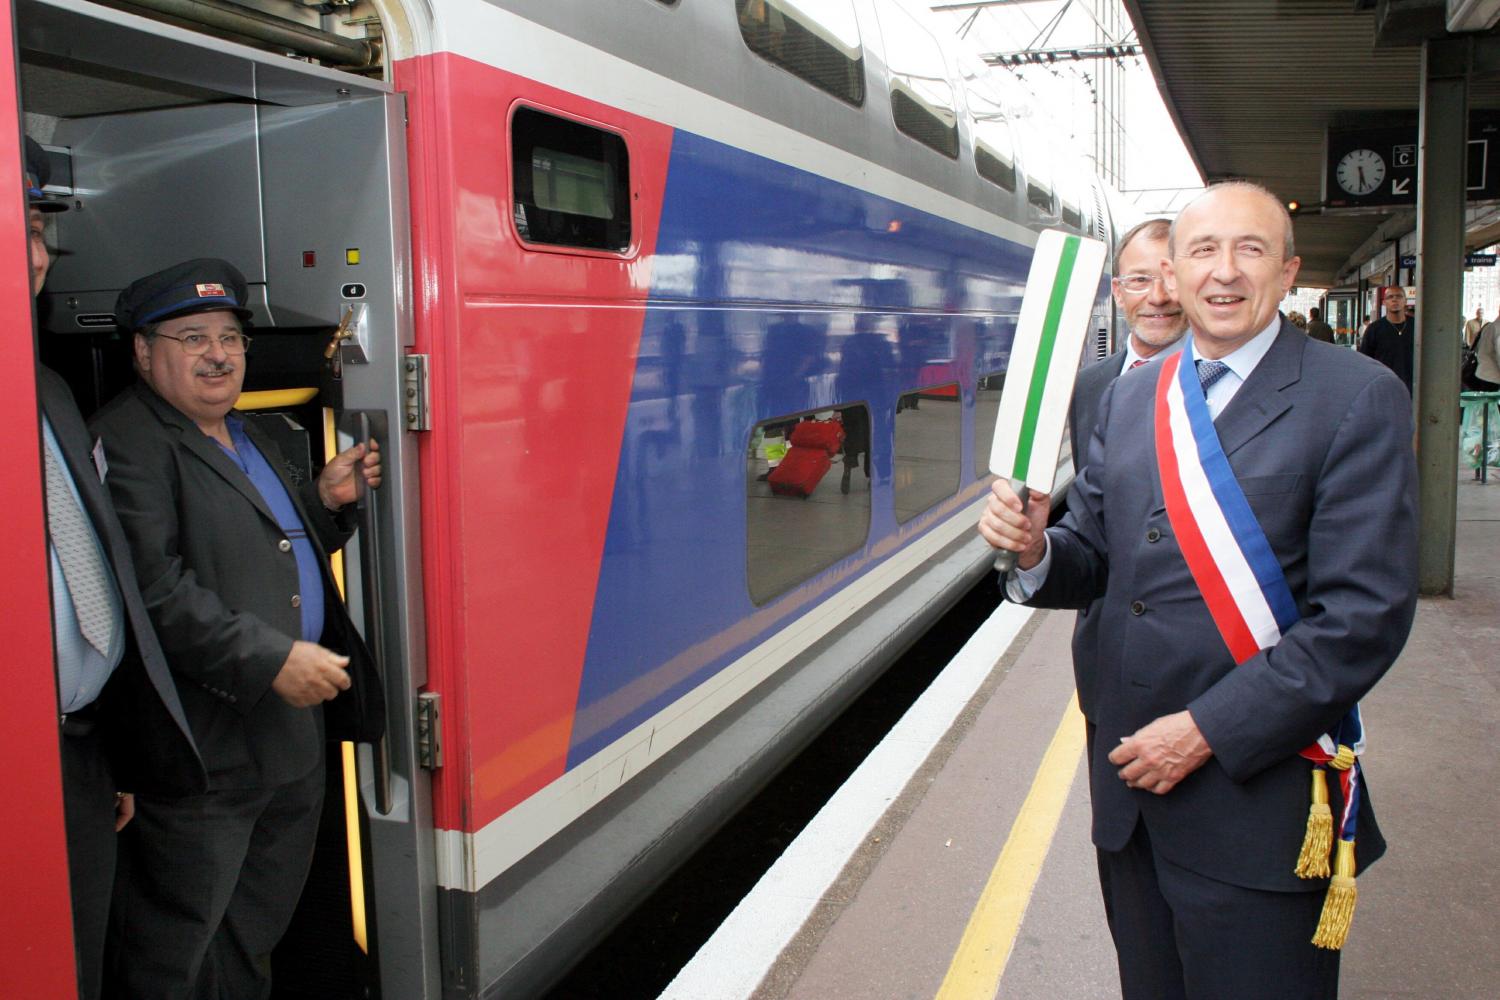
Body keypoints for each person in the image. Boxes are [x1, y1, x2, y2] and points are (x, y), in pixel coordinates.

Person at [979, 182, 1418, 1000]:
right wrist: (1039, 547)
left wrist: (1206, 731)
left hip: (1255, 807)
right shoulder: (1135, 394)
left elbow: (1364, 619)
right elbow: (1098, 554)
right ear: (1173, 274)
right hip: (1130, 798)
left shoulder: (1354, 397)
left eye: (1250, 249)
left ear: (1288, 273)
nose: (1225, 272)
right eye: (1203, 251)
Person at [91, 259, 385, 999]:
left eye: (229, 337)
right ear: (142, 350)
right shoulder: (125, 443)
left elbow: (265, 551)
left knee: (253, 935)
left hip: (288, 745)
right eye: (192, 338)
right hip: (201, 757)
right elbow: (150, 591)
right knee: (174, 952)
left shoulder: (263, 434)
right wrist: (270, 660)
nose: (218, 354)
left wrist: (324, 501)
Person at [23, 137, 207, 1000]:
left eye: (38, 231)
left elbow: (89, 576)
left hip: (82, 752)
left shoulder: (46, 390)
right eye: (19, 227)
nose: (35, 255)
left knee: (79, 966)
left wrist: (111, 759)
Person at [1358, 285, 1414, 393]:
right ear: (1384, 302)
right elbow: (1365, 361)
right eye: (1390, 297)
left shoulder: (1416, 326)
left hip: (1412, 388)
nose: (1394, 299)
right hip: (1384, 388)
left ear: (1405, 301)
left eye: (1399, 296)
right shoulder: (1374, 329)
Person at [1472, 316, 1500, 392]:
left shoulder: (1489, 327)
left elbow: (1478, 348)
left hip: (1483, 373)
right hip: (1493, 377)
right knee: (1492, 402)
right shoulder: (1497, 328)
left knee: (1485, 402)